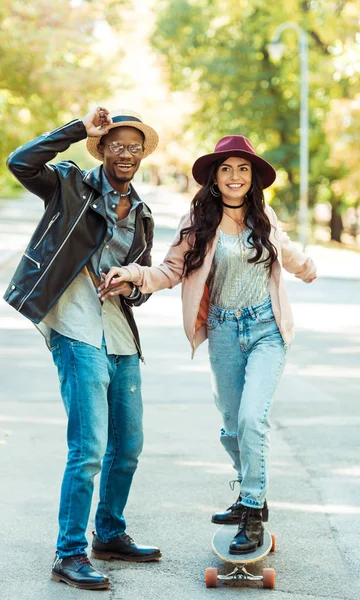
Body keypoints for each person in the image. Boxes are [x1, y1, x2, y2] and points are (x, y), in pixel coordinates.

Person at [100, 135, 317, 555]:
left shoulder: (263, 216)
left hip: (266, 330)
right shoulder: (196, 221)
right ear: (215, 178)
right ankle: (249, 492)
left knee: (253, 419)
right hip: (221, 330)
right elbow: (168, 270)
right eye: (226, 169)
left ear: (252, 178)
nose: (235, 177)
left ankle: (253, 510)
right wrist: (133, 274)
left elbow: (287, 253)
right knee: (232, 429)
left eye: (243, 169)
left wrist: (309, 268)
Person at [4, 106, 162, 590]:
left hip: (118, 332)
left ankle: (109, 534)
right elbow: (20, 162)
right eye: (117, 143)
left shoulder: (142, 212)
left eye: (135, 146)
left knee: (128, 445)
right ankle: (68, 552)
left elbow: (145, 280)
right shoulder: (70, 185)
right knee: (89, 447)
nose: (126, 153)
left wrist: (130, 286)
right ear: (102, 147)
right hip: (74, 327)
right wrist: (75, 130)